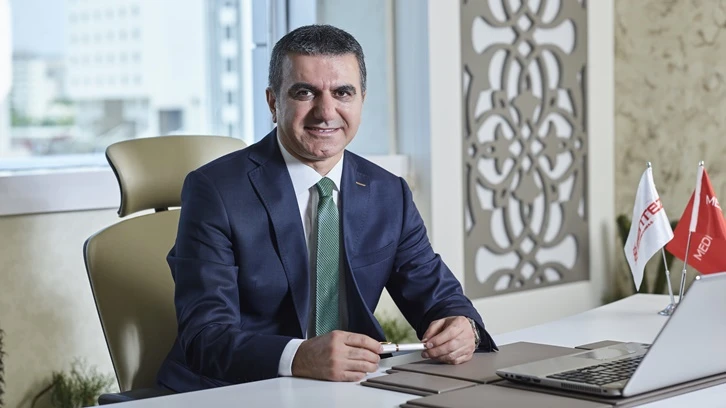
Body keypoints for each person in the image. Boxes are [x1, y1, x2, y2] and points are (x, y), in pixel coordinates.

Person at [156, 24, 496, 393]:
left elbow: (439, 297)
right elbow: (205, 336)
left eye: (343, 93)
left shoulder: (388, 193)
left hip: (350, 390)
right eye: (305, 92)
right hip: (234, 390)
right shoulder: (215, 191)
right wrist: (299, 356)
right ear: (273, 102)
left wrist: (462, 327)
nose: (326, 111)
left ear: (362, 100)